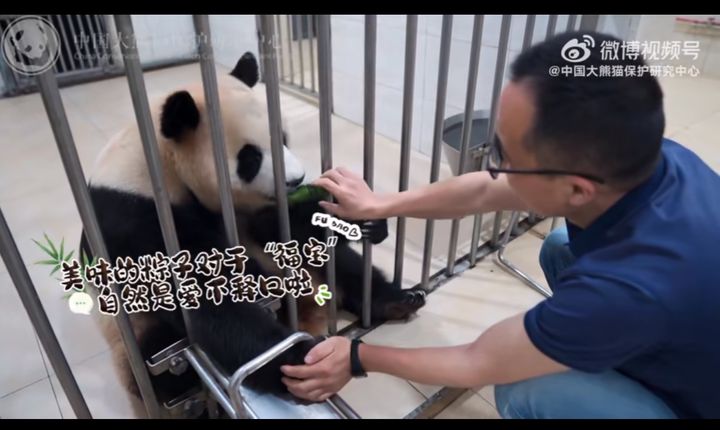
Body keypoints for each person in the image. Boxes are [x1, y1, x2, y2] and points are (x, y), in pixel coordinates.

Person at [280, 31, 720, 419]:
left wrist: (358, 355)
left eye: (505, 157)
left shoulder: (627, 286)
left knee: (526, 387)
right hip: (678, 322)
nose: (496, 169)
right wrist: (380, 205)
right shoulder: (646, 156)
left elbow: (478, 362)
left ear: (577, 189)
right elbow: (483, 192)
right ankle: (615, 349)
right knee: (560, 245)